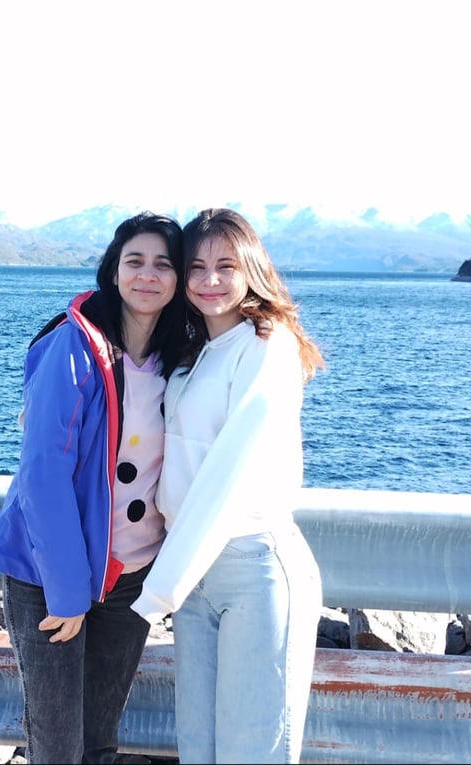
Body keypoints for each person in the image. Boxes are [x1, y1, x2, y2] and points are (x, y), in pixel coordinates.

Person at [0, 211, 192, 764]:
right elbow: (43, 475)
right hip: (50, 577)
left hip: (129, 577)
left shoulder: (179, 356)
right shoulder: (74, 347)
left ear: (179, 278)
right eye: (134, 261)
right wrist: (68, 593)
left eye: (163, 264)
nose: (147, 275)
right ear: (113, 271)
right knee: (58, 749)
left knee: (98, 744)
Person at [131, 207, 326, 764]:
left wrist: (158, 590)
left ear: (251, 269)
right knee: (199, 749)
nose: (209, 280)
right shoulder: (195, 354)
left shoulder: (268, 346)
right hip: (195, 573)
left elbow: (230, 472)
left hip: (252, 569)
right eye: (196, 267)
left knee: (252, 753)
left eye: (225, 266)